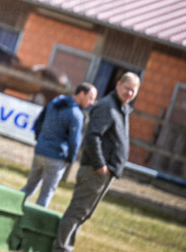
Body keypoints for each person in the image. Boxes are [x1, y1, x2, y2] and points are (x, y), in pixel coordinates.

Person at [52, 72, 141, 251]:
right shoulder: (108, 106)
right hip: (95, 171)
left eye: (133, 91)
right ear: (118, 86)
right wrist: (100, 164)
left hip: (105, 173)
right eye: (126, 88)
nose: (129, 93)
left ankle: (66, 247)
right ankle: (60, 249)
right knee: (77, 211)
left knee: (84, 214)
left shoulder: (122, 109)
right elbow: (93, 136)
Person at [21, 83, 97, 207]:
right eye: (91, 97)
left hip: (40, 151)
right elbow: (75, 141)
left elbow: (38, 122)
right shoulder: (76, 114)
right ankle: (34, 224)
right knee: (46, 194)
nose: (92, 102)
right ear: (82, 93)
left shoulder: (55, 102)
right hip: (56, 157)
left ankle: (9, 208)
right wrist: (70, 159)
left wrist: (41, 141)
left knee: (29, 187)